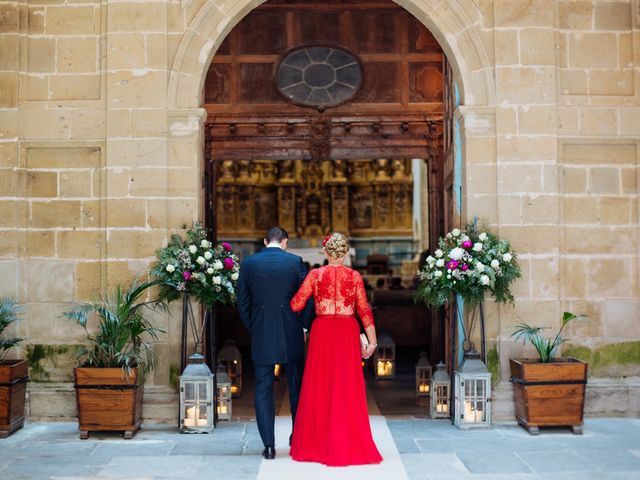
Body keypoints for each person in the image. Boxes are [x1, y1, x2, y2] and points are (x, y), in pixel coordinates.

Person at [289, 232, 383, 466]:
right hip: (347, 331)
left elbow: (296, 304)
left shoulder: (315, 275)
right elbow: (364, 311)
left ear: (326, 253)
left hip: (322, 331)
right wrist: (372, 343)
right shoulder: (354, 276)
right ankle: (347, 442)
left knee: (320, 384)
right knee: (346, 384)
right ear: (344, 253)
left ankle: (317, 443)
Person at [236, 227, 315, 460]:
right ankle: (296, 437)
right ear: (285, 242)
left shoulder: (249, 263)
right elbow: (307, 297)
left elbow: (242, 302)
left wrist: (255, 327)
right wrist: (303, 326)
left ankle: (269, 445)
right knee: (296, 385)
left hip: (261, 330)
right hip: (291, 330)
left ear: (264, 241)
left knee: (263, 387)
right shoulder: (294, 262)